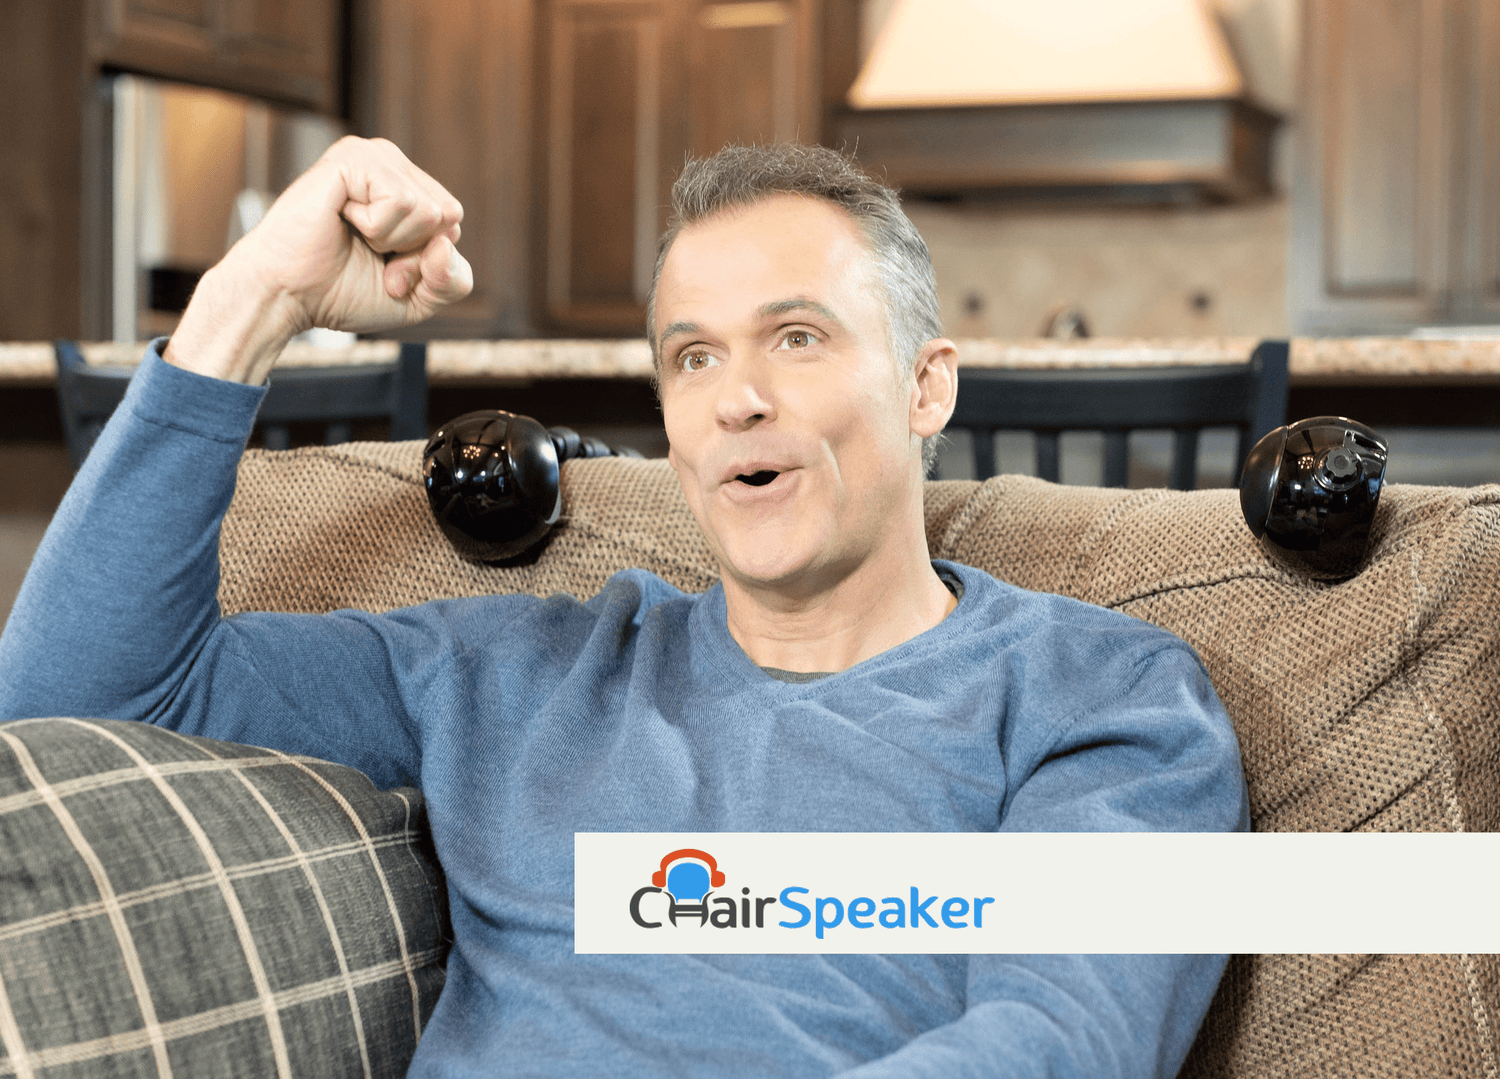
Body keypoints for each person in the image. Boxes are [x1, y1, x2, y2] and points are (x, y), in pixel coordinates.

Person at [0, 136, 1248, 1077]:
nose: (736, 399)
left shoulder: (1105, 697)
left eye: (798, 338)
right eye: (692, 356)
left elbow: (1056, 1040)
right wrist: (254, 301)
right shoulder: (516, 668)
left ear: (928, 388)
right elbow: (75, 699)